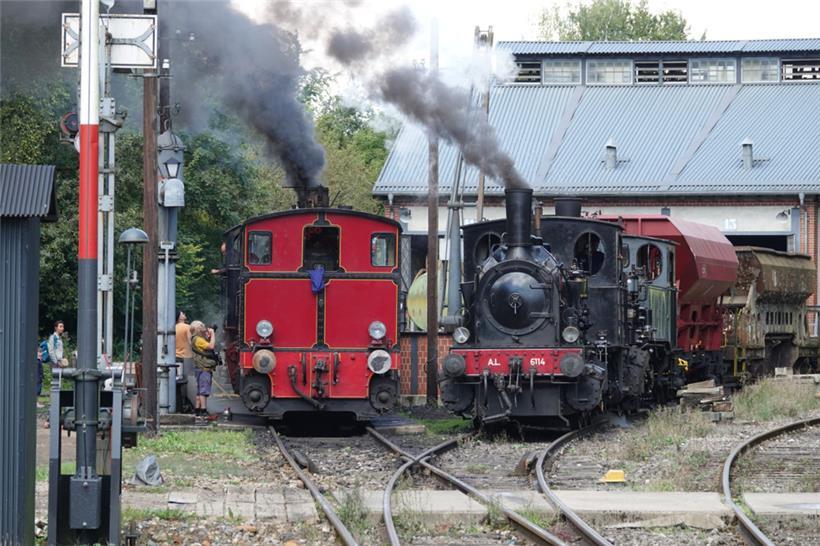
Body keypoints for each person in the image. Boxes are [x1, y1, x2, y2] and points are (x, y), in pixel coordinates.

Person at [190, 321, 218, 424]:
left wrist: (209, 335)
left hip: (200, 368)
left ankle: (197, 411)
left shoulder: (197, 339)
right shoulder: (198, 340)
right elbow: (211, 346)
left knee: (199, 390)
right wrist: (213, 335)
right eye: (202, 326)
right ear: (198, 329)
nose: (204, 327)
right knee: (203, 391)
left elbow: (206, 346)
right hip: (204, 368)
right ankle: (203, 411)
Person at [175, 310, 194, 411]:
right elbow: (191, 342)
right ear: (179, 317)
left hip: (175, 357)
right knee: (185, 380)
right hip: (185, 357)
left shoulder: (173, 327)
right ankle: (184, 401)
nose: (184, 314)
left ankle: (178, 401)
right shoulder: (187, 327)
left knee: (176, 379)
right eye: (182, 313)